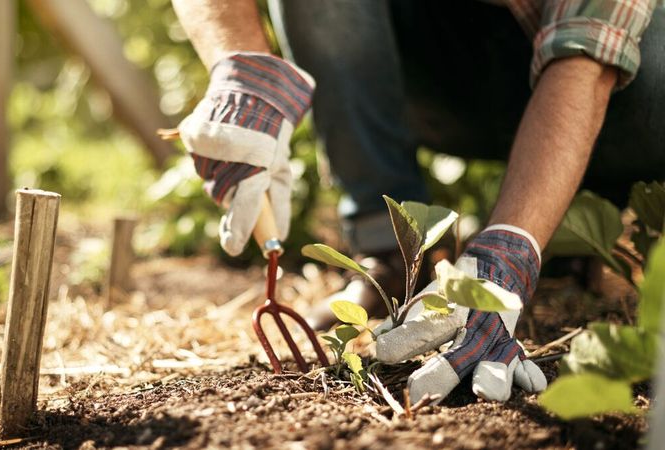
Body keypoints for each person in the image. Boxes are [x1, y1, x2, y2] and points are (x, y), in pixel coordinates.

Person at [170, 0, 665, 404]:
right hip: (431, 73)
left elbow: (587, 62)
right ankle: (391, 252)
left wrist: (510, 251)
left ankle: (571, 222)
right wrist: (241, 66)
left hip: (615, 81)